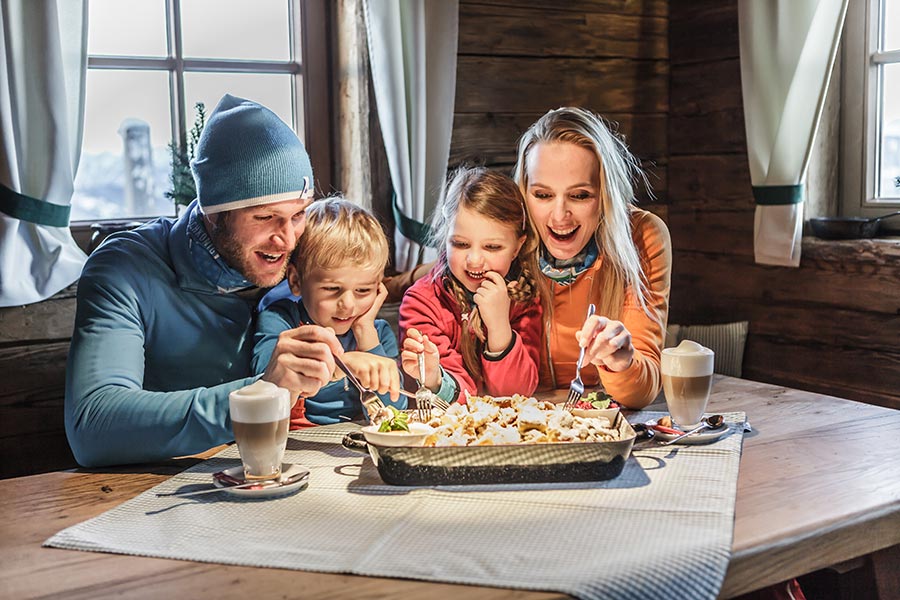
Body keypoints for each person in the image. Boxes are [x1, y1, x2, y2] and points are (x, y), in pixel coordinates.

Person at [65, 94, 344, 467]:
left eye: (298, 215)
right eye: (264, 218)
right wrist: (264, 394)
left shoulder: (301, 267)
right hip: (156, 500)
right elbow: (93, 426)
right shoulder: (125, 268)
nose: (288, 239)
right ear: (214, 213)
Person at [512, 106, 672, 409]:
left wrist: (622, 360)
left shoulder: (641, 236)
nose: (560, 216)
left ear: (606, 194)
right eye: (543, 195)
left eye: (580, 195)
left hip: (596, 421)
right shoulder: (511, 232)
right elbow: (446, 266)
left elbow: (643, 391)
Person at [252, 197, 405, 427]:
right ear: (296, 281)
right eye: (333, 289)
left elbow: (394, 413)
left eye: (363, 290)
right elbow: (267, 384)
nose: (348, 305)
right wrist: (344, 364)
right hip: (293, 447)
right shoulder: (280, 321)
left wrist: (365, 333)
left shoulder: (377, 334)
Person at [398, 166, 544, 405]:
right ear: (446, 238)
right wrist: (435, 379)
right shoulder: (422, 303)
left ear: (517, 247)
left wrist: (499, 328)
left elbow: (518, 395)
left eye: (492, 247)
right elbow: (458, 399)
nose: (474, 260)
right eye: (461, 244)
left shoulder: (523, 297)